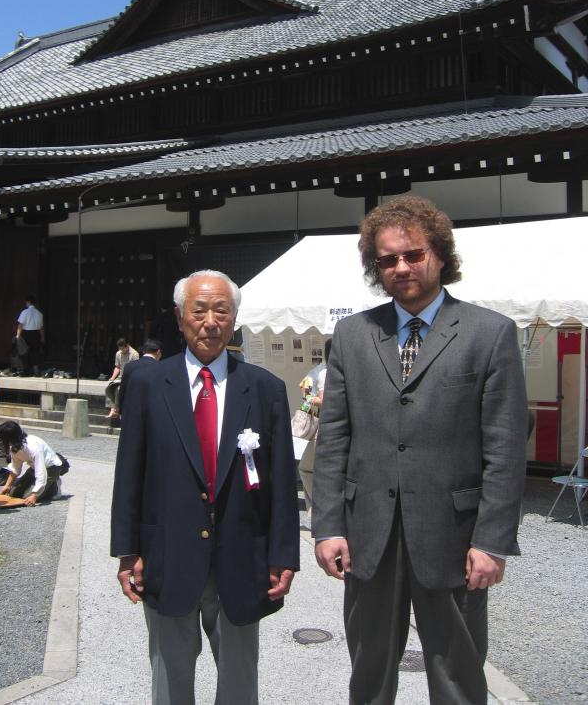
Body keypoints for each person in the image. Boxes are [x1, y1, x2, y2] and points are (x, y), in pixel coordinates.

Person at [312, 195, 529, 705]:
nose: (401, 267)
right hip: (369, 533)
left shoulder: (489, 333)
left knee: (458, 675)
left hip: (454, 536)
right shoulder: (353, 334)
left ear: (439, 255)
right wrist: (328, 526)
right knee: (368, 673)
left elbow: (504, 448)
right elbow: (335, 438)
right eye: (387, 259)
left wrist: (492, 541)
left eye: (413, 254)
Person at [111, 269, 299, 705]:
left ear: (234, 319)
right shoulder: (147, 383)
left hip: (242, 555)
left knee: (239, 682)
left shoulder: (265, 389)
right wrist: (127, 550)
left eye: (221, 310)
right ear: (180, 318)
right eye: (199, 310)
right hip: (166, 555)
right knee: (170, 679)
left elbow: (282, 483)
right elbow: (129, 473)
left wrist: (283, 554)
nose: (210, 321)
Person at [298, 338, 331, 511]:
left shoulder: (323, 371)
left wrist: (309, 399)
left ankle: (317, 507)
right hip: (329, 425)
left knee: (307, 469)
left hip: (323, 427)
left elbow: (305, 388)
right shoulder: (330, 370)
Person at [0, 421, 64, 505]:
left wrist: (35, 495)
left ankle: (54, 486)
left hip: (51, 468)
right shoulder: (15, 447)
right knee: (13, 493)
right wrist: (7, 485)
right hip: (33, 468)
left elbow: (41, 472)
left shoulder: (33, 447)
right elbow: (15, 467)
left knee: (27, 498)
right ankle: (45, 486)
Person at [117, 337, 162, 421]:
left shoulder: (129, 366)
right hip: (150, 413)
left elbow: (122, 390)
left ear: (144, 351)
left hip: (130, 410)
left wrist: (121, 410)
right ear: (158, 352)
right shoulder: (161, 368)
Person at [105, 337, 139, 420]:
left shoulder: (134, 354)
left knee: (118, 389)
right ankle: (113, 408)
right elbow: (117, 367)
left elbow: (136, 369)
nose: (121, 350)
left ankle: (115, 410)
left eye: (122, 348)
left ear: (127, 346)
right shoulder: (118, 353)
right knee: (109, 387)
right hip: (120, 377)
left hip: (130, 378)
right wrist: (112, 377)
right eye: (119, 348)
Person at [16, 295, 44, 375]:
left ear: (28, 302)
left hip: (26, 334)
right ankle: (36, 370)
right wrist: (42, 338)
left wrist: (18, 336)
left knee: (25, 352)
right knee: (35, 352)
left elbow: (20, 325)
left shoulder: (25, 312)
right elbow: (41, 328)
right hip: (36, 334)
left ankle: (26, 370)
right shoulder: (39, 313)